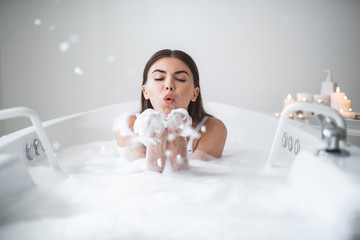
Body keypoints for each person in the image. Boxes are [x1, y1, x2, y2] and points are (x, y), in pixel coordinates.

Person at [114, 49, 227, 173]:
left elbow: (194, 179)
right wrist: (156, 139)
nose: (169, 85)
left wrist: (177, 137)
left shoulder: (212, 128)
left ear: (194, 94)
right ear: (145, 91)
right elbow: (145, 176)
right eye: (159, 78)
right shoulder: (127, 126)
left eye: (181, 79)